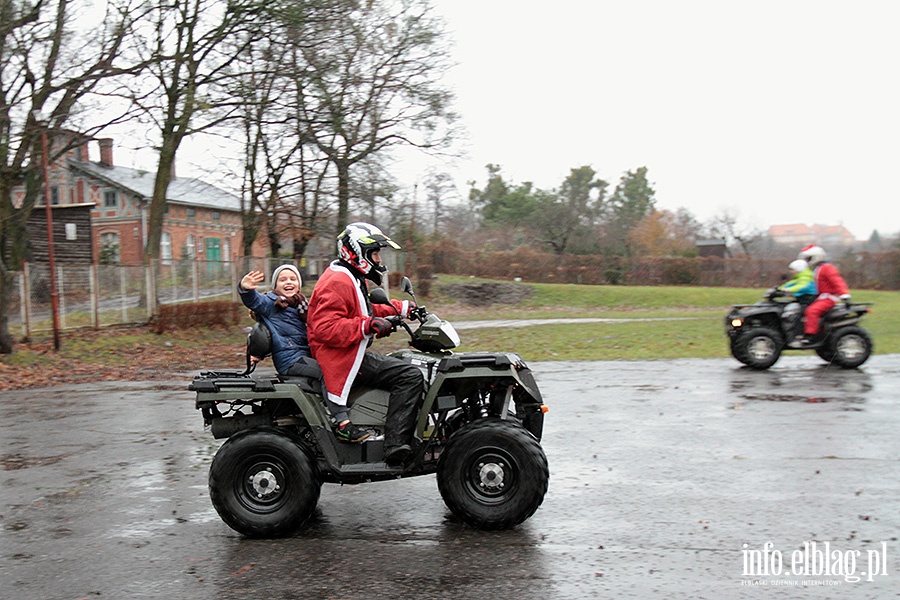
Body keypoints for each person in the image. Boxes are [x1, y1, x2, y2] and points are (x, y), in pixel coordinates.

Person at [307, 222, 423, 465]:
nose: (379, 259)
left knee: (403, 359)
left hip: (348, 352)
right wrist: (366, 326)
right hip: (339, 358)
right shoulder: (337, 281)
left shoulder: (349, 276)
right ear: (357, 252)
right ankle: (395, 445)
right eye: (375, 253)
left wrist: (401, 309)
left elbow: (365, 308)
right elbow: (325, 328)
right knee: (410, 375)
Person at [238, 264, 313, 375]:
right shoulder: (271, 303)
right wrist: (245, 290)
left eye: (293, 279)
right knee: (327, 374)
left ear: (298, 285)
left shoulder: (302, 305)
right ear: (275, 286)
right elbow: (255, 301)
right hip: (290, 360)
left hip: (304, 355)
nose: (288, 282)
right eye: (282, 280)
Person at [794, 245, 850, 346]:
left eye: (808, 258)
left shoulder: (827, 268)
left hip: (828, 297)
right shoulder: (815, 269)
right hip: (819, 296)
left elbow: (837, 281)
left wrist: (844, 295)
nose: (806, 261)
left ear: (816, 257)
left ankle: (810, 336)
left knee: (812, 311)